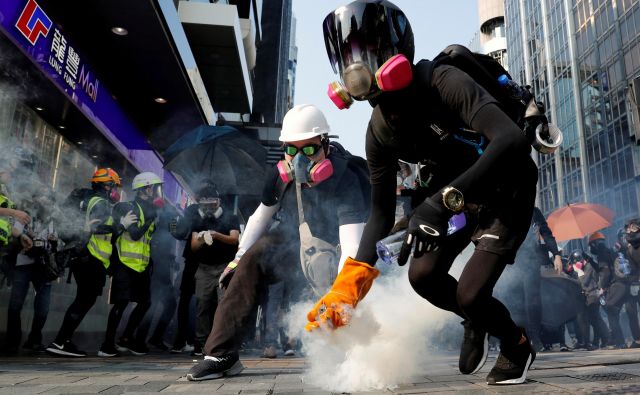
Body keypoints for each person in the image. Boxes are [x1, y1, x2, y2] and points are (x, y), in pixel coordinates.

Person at [310, 0, 539, 385]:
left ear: (396, 48)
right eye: (349, 56)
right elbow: (379, 215)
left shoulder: (443, 81)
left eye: (367, 51)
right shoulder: (378, 133)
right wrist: (345, 293)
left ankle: (516, 346)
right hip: (457, 196)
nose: (358, 65)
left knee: (470, 294)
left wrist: (439, 202)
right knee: (423, 276)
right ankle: (475, 320)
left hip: (507, 186)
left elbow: (511, 140)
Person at [186, 104, 370, 381]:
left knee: (352, 287)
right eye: (292, 150)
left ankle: (360, 353)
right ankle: (221, 354)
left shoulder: (345, 178)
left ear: (325, 146)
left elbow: (352, 245)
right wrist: (238, 258)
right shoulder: (278, 176)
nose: (300, 160)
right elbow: (261, 217)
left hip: (337, 248)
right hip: (294, 242)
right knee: (252, 259)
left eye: (309, 150)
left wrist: (342, 294)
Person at [46, 168, 121, 357]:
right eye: (114, 186)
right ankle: (60, 342)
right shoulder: (101, 202)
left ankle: (65, 341)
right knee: (84, 300)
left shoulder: (88, 200)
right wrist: (121, 226)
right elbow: (98, 226)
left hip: (84, 257)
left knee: (83, 299)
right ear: (106, 185)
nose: (116, 191)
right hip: (92, 259)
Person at [98, 172, 161, 357]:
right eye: (154, 188)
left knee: (145, 303)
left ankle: (126, 338)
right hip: (124, 263)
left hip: (141, 265)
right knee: (121, 302)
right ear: (145, 188)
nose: (156, 192)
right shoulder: (127, 206)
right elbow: (134, 234)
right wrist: (149, 219)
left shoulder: (150, 208)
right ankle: (107, 345)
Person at [4, 187, 58, 353]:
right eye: (41, 197)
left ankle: (34, 339)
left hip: (43, 266)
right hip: (23, 263)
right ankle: (12, 341)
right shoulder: (24, 216)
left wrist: (53, 242)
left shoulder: (53, 221)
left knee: (43, 306)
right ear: (35, 199)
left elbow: (58, 244)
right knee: (15, 304)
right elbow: (14, 232)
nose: (44, 201)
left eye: (48, 198)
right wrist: (26, 237)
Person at [190, 185, 240, 356]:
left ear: (218, 202)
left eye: (212, 203)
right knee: (202, 306)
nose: (209, 207)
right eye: (206, 204)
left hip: (224, 268)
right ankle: (201, 343)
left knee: (223, 306)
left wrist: (216, 235)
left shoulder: (230, 217)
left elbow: (234, 239)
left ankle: (222, 342)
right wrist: (203, 237)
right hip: (203, 269)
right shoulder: (199, 219)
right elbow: (193, 246)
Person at [136, 200, 180, 351]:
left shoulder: (163, 226)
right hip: (156, 272)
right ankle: (140, 340)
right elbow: (157, 248)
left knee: (163, 305)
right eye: (172, 216)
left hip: (161, 271)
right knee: (152, 305)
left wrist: (171, 260)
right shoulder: (159, 226)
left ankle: (152, 338)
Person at [589, 232, 628, 348]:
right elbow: (603, 269)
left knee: (611, 310)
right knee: (613, 312)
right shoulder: (609, 251)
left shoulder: (601, 254)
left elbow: (605, 273)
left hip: (616, 286)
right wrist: (590, 260)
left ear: (595, 244)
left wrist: (602, 288)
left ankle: (620, 342)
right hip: (621, 286)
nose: (591, 248)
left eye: (591, 245)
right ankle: (620, 341)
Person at [566, 250, 610, 349]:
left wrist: (579, 271)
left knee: (595, 320)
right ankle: (599, 341)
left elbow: (584, 282)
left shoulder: (589, 266)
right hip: (587, 296)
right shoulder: (583, 267)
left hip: (593, 295)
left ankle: (602, 340)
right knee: (594, 320)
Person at [620, 220, 640, 348]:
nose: (629, 231)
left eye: (631, 228)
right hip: (634, 282)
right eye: (627, 229)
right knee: (630, 311)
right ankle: (637, 338)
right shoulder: (629, 247)